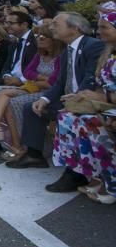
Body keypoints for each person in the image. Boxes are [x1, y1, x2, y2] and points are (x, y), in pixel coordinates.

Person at [7, 12, 106, 170]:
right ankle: (34, 155)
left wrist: (74, 100)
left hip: (85, 99)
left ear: (74, 28)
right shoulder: (68, 50)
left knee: (68, 115)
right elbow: (60, 83)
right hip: (67, 97)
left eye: (55, 24)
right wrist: (44, 99)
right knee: (32, 107)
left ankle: (75, 171)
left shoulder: (92, 45)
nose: (51, 27)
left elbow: (90, 79)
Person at [47, 15, 116, 195]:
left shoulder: (95, 47)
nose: (98, 31)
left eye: (104, 28)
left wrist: (101, 96)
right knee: (67, 117)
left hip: (109, 106)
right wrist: (88, 96)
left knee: (88, 122)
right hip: (106, 104)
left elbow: (103, 90)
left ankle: (108, 181)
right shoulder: (108, 53)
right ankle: (83, 172)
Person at [0, 23, 62, 145]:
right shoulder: (40, 54)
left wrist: (38, 80)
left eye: (42, 37)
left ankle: (19, 143)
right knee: (2, 92)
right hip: (34, 87)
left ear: (53, 40)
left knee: (13, 102)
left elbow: (53, 82)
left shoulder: (60, 57)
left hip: (49, 92)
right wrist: (41, 78)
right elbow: (27, 72)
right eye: (37, 36)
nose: (38, 39)